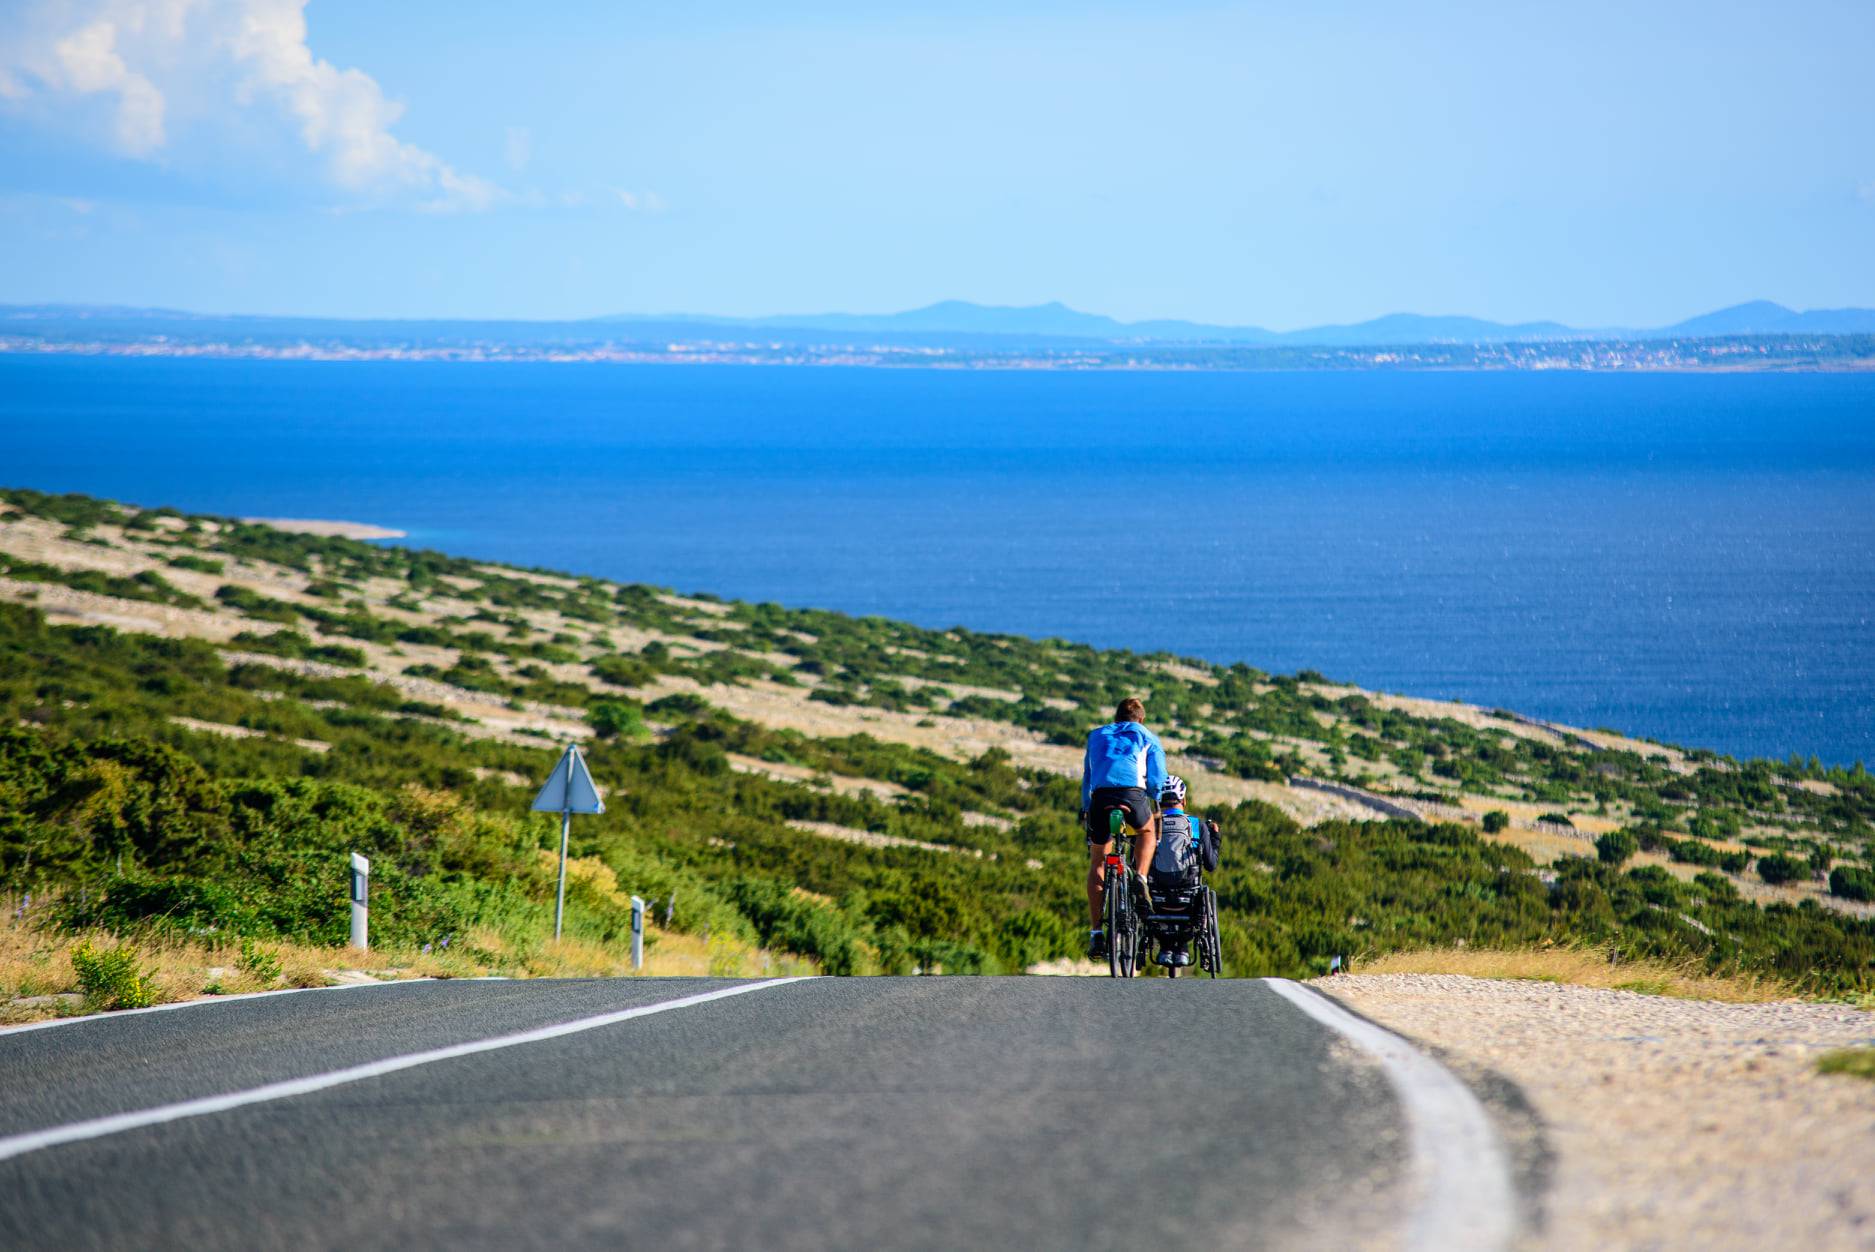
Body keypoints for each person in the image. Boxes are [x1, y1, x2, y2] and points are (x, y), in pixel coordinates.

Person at [1080, 696, 1166, 959]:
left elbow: (1087, 777)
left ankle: (1096, 934)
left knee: (1098, 860)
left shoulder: (1096, 735)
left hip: (1101, 799)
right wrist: (1155, 796)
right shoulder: (1147, 736)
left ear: (1116, 717)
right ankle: (1139, 876)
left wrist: (1086, 808)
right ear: (1141, 719)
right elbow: (1156, 780)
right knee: (1147, 832)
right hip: (1133, 797)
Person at [1145, 773, 1220, 967]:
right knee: (1201, 892)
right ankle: (1182, 947)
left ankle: (1166, 946)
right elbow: (1211, 864)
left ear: (1160, 801)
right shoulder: (1197, 825)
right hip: (1189, 895)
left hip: (1156, 895)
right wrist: (1215, 839)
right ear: (1184, 800)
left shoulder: (1150, 825)